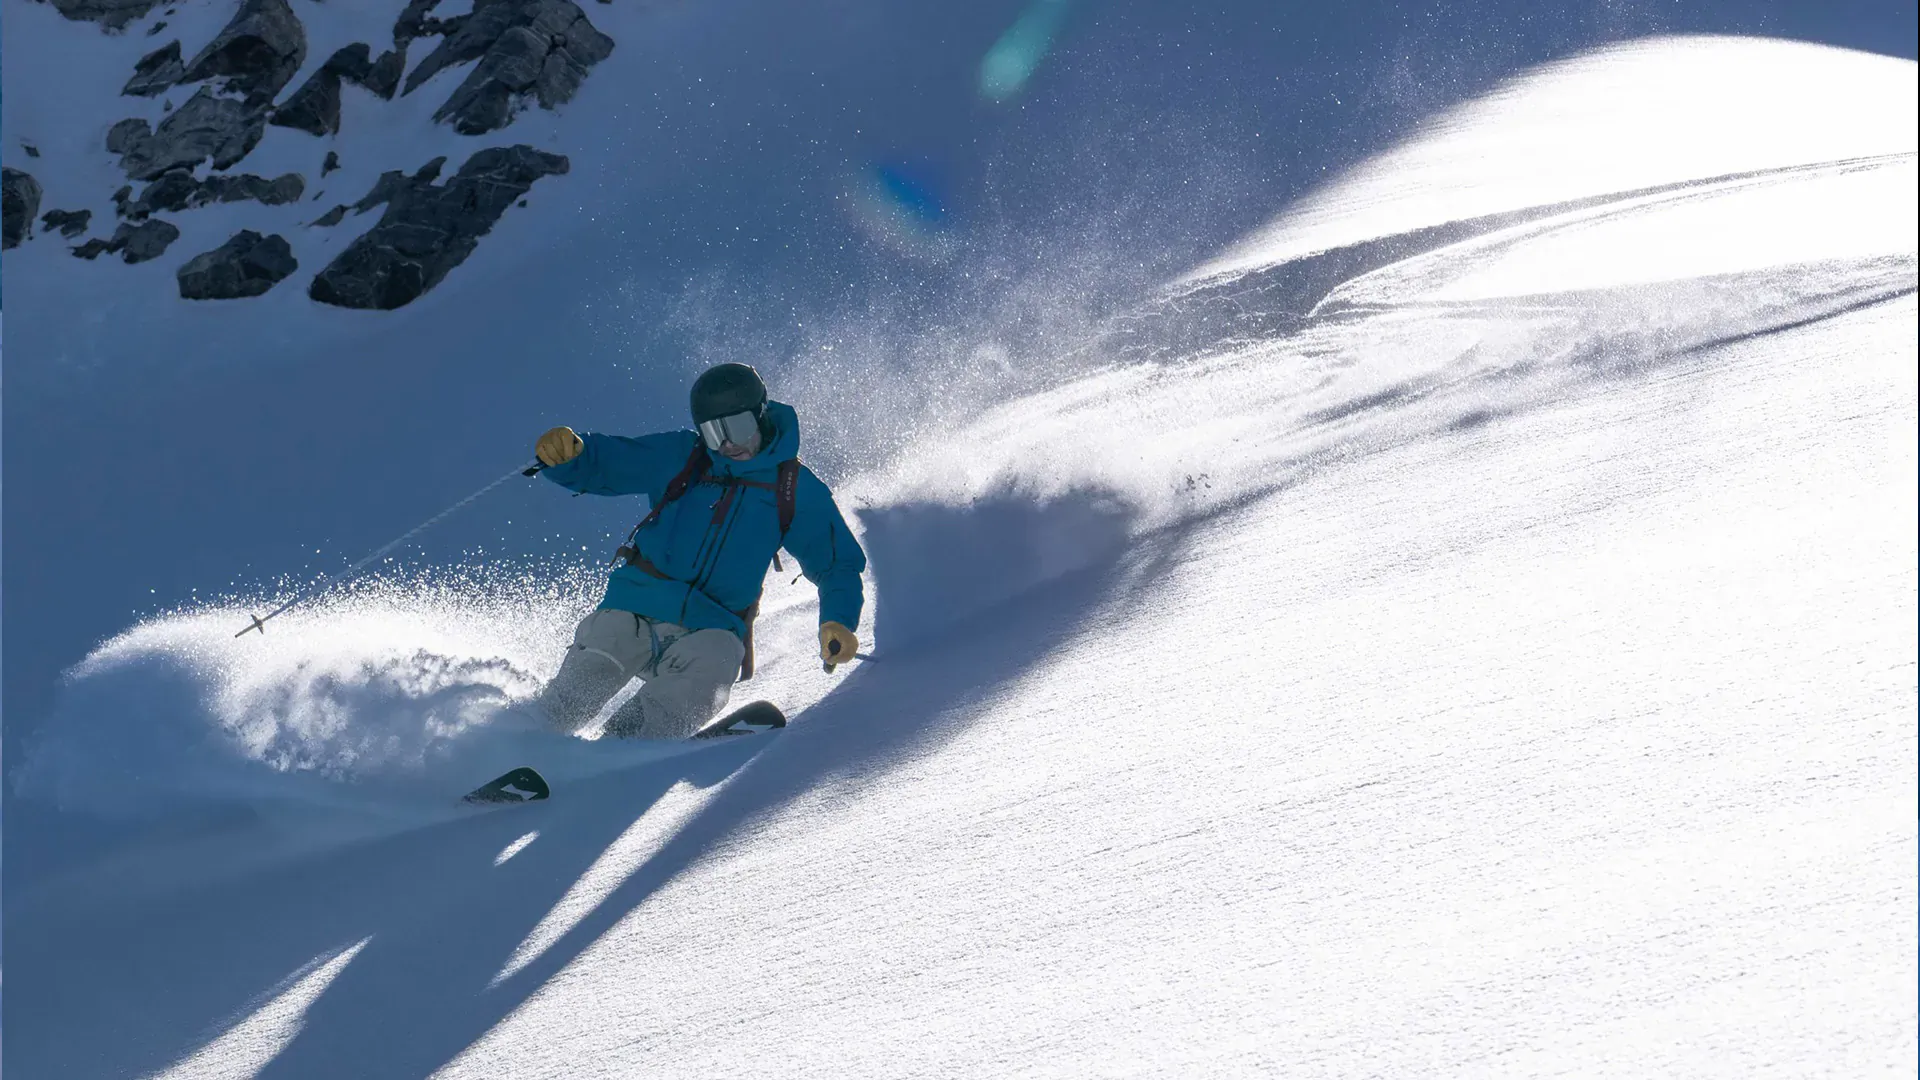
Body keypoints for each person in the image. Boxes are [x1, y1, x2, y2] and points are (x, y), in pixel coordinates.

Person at [525, 363, 866, 739]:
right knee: (592, 670)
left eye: (737, 428)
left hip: (713, 625)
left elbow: (837, 565)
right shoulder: (683, 456)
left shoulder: (793, 488)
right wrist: (571, 457)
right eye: (714, 432)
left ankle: (626, 748)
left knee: (713, 666)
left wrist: (838, 620)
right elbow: (611, 462)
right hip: (636, 606)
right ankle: (523, 742)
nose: (728, 444)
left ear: (761, 415)